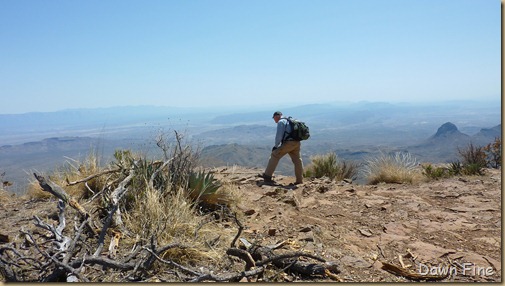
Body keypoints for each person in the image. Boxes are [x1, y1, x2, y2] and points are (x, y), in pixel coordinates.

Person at [259, 111, 304, 185]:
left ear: (277, 116)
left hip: (288, 143)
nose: (274, 121)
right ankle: (299, 180)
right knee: (297, 160)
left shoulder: (281, 122)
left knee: (274, 155)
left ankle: (267, 176)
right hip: (297, 143)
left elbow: (279, 136)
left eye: (274, 118)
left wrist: (276, 146)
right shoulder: (290, 120)